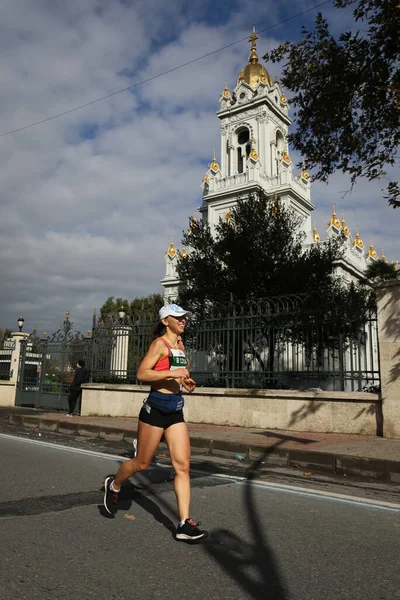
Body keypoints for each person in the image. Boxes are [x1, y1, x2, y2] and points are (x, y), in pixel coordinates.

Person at [103, 303, 208, 543]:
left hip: (175, 410)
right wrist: (171, 375)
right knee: (141, 464)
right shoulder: (159, 344)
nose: (183, 321)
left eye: (184, 318)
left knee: (182, 466)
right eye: (178, 318)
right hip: (155, 409)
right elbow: (142, 374)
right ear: (165, 321)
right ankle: (114, 484)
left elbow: (179, 375)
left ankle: (183, 523)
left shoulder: (180, 346)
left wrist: (186, 382)